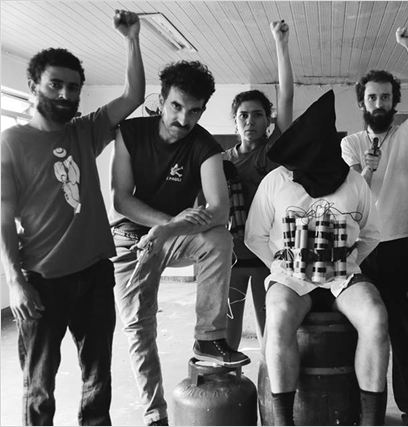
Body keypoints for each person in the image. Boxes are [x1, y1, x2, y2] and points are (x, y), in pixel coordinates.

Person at [0, 10, 144, 426]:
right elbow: (3, 217)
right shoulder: (12, 142)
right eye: (55, 84)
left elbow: (133, 95)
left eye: (74, 87)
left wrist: (132, 39)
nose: (65, 94)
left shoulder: (84, 131)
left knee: (98, 377)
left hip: (95, 274)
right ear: (34, 85)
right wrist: (15, 282)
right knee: (39, 385)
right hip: (42, 281)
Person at [110, 60, 248, 426]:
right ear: (161, 100)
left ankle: (209, 338)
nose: (184, 118)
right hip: (130, 239)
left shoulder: (204, 145)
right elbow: (121, 199)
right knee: (139, 326)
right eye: (176, 106)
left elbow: (219, 211)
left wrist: (168, 233)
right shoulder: (130, 133)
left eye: (194, 111)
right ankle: (155, 414)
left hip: (174, 238)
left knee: (218, 239)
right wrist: (167, 224)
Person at [245, 90, 389, 426]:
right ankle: (283, 421)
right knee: (278, 316)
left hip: (342, 276)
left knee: (375, 315)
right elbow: (254, 236)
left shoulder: (354, 182)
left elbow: (371, 234)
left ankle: (371, 421)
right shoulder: (276, 181)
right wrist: (281, 266)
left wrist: (348, 262)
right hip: (291, 278)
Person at [340, 27, 408, 426]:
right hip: (362, 249)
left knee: (401, 331)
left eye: (385, 97)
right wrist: (367, 170)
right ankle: (354, 405)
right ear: (362, 103)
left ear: (395, 101)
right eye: (372, 97)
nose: (379, 103)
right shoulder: (350, 144)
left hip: (400, 247)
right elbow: (350, 193)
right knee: (359, 329)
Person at [223, 19, 294, 350]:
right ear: (235, 122)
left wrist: (281, 45)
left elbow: (287, 97)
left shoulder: (274, 150)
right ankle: (230, 381)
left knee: (272, 336)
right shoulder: (220, 161)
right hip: (233, 260)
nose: (250, 120)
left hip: (270, 259)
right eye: (243, 115)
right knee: (228, 337)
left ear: (268, 121)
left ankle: (271, 384)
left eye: (257, 114)